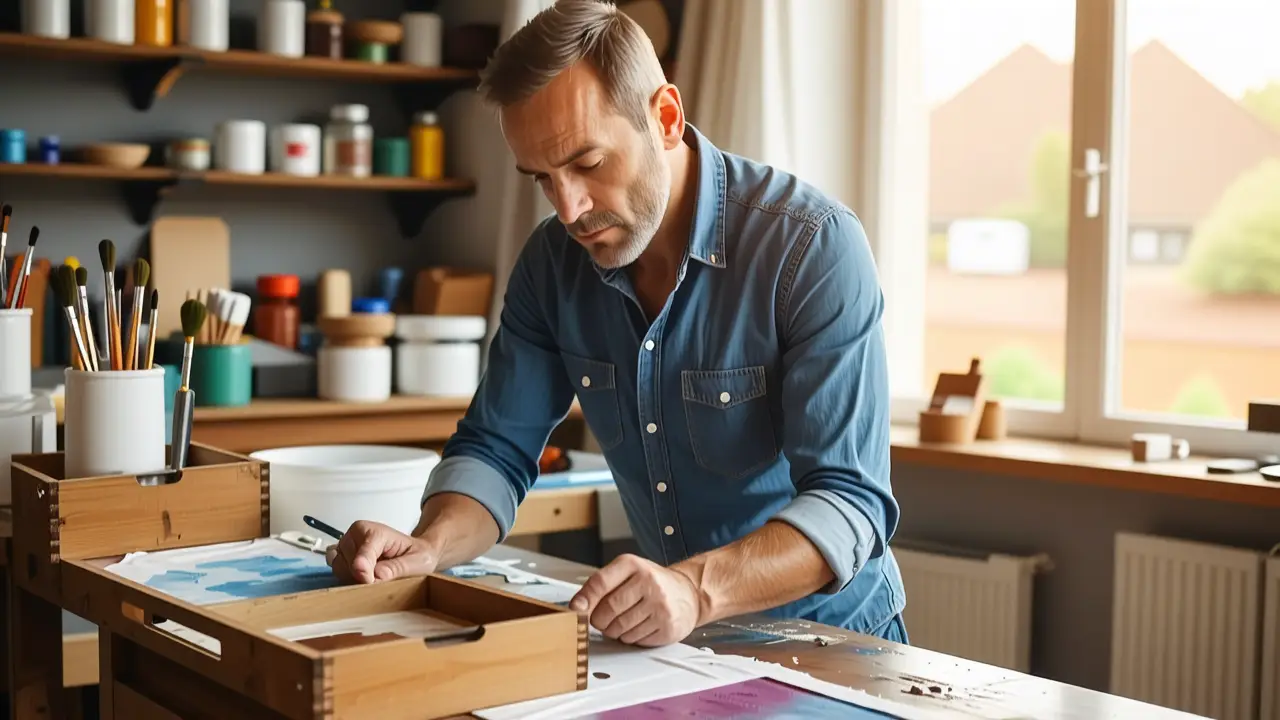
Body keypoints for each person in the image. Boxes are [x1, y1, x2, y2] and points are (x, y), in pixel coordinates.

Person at [330, 0, 906, 648]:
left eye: (587, 163)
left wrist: (694, 589)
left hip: (833, 646)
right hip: (678, 650)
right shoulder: (550, 265)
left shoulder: (812, 247)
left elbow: (850, 505)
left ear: (664, 117)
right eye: (543, 180)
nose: (570, 209)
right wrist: (428, 545)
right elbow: (496, 448)